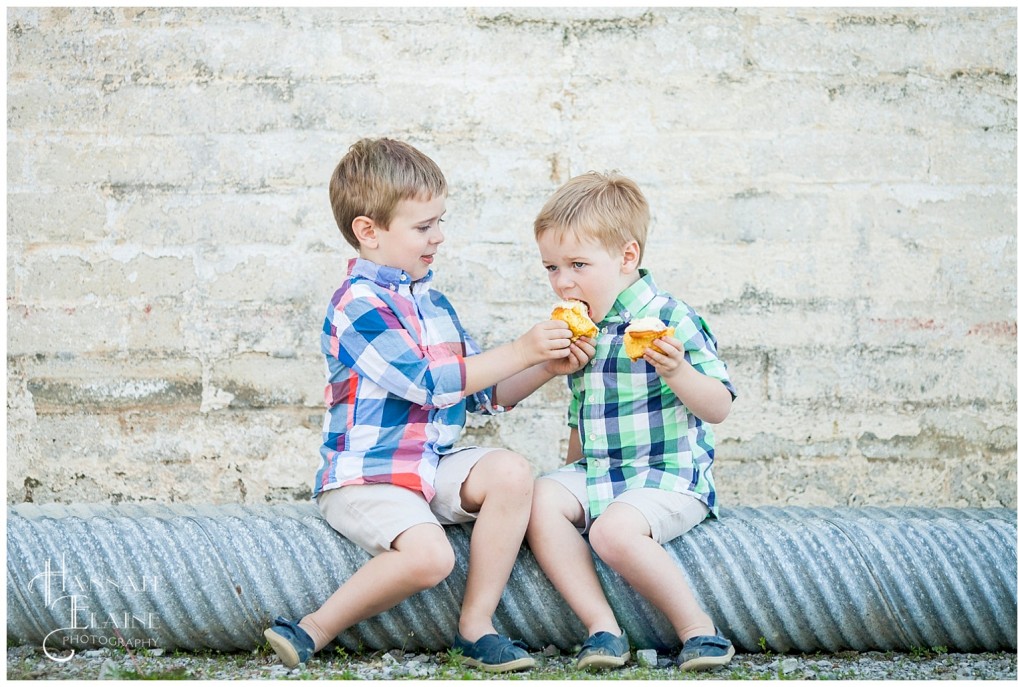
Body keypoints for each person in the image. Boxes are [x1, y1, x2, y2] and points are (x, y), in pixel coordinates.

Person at [264, 138, 587, 672]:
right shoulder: (357, 305)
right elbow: (426, 382)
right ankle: (312, 629)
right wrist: (521, 348)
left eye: (440, 221)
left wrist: (544, 368)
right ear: (368, 231)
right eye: (423, 227)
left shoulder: (434, 303)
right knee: (431, 556)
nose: (438, 237)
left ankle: (476, 626)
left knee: (511, 470)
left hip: (428, 467)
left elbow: (481, 393)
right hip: (368, 476)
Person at [525, 171, 738, 672]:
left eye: (578, 264)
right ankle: (603, 629)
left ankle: (699, 631)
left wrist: (678, 370)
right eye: (552, 267)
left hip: (667, 475)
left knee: (612, 534)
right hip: (601, 471)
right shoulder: (582, 327)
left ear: (627, 257)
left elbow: (720, 406)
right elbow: (583, 416)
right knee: (537, 499)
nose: (563, 281)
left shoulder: (670, 319)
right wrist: (568, 485)